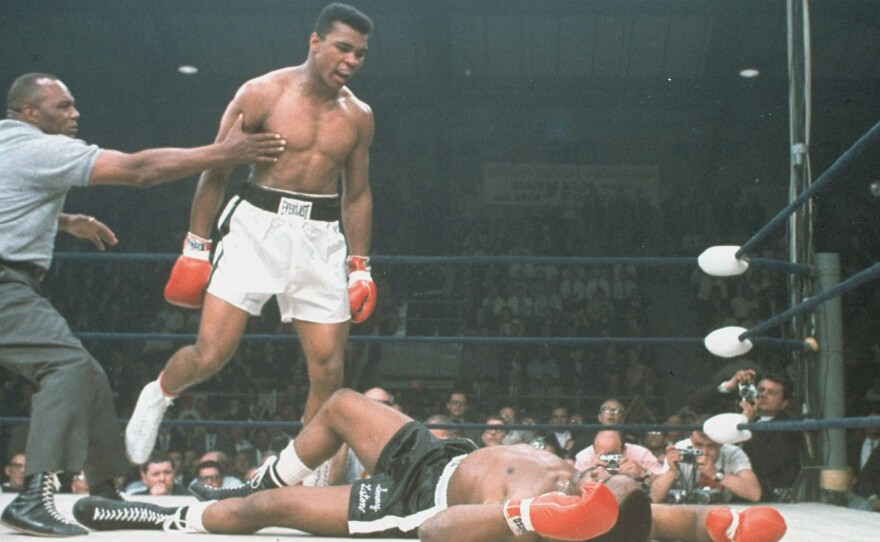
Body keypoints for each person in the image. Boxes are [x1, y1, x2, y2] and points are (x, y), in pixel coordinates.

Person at [0, 72, 284, 536]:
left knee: (86, 373)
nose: (75, 115)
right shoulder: (41, 149)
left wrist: (64, 219)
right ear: (30, 113)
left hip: (14, 280)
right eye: (63, 107)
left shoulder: (6, 141)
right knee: (68, 369)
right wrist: (224, 154)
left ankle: (107, 495)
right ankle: (33, 495)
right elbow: (138, 170)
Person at [125, 2, 378, 468]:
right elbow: (216, 170)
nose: (351, 61)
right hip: (256, 226)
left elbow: (357, 195)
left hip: (322, 236)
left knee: (328, 370)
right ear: (315, 41)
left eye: (360, 54)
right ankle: (159, 394)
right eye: (343, 48)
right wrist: (196, 246)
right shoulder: (263, 93)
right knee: (212, 352)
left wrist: (359, 265)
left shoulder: (358, 115)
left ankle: (304, 473)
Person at [72, 389, 787, 542]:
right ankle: (269, 472)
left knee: (260, 515)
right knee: (345, 403)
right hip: (446, 453)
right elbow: (697, 519)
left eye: (613, 479)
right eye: (614, 474)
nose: (605, 471)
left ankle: (154, 512)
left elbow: (440, 530)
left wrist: (537, 514)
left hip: (413, 497)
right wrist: (733, 523)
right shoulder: (602, 492)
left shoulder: (561, 519)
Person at [651, 419, 762, 504]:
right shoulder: (680, 448)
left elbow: (754, 494)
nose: (704, 452)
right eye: (698, 445)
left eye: (710, 446)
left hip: (724, 510)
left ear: (720, 443)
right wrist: (671, 472)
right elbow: (655, 497)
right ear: (691, 440)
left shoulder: (733, 453)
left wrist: (716, 474)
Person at [574, 430, 663, 486]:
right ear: (593, 449)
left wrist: (643, 474)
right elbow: (574, 489)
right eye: (603, 456)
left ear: (624, 449)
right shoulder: (584, 457)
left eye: (612, 454)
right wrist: (590, 474)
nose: (608, 459)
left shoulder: (641, 454)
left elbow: (663, 481)